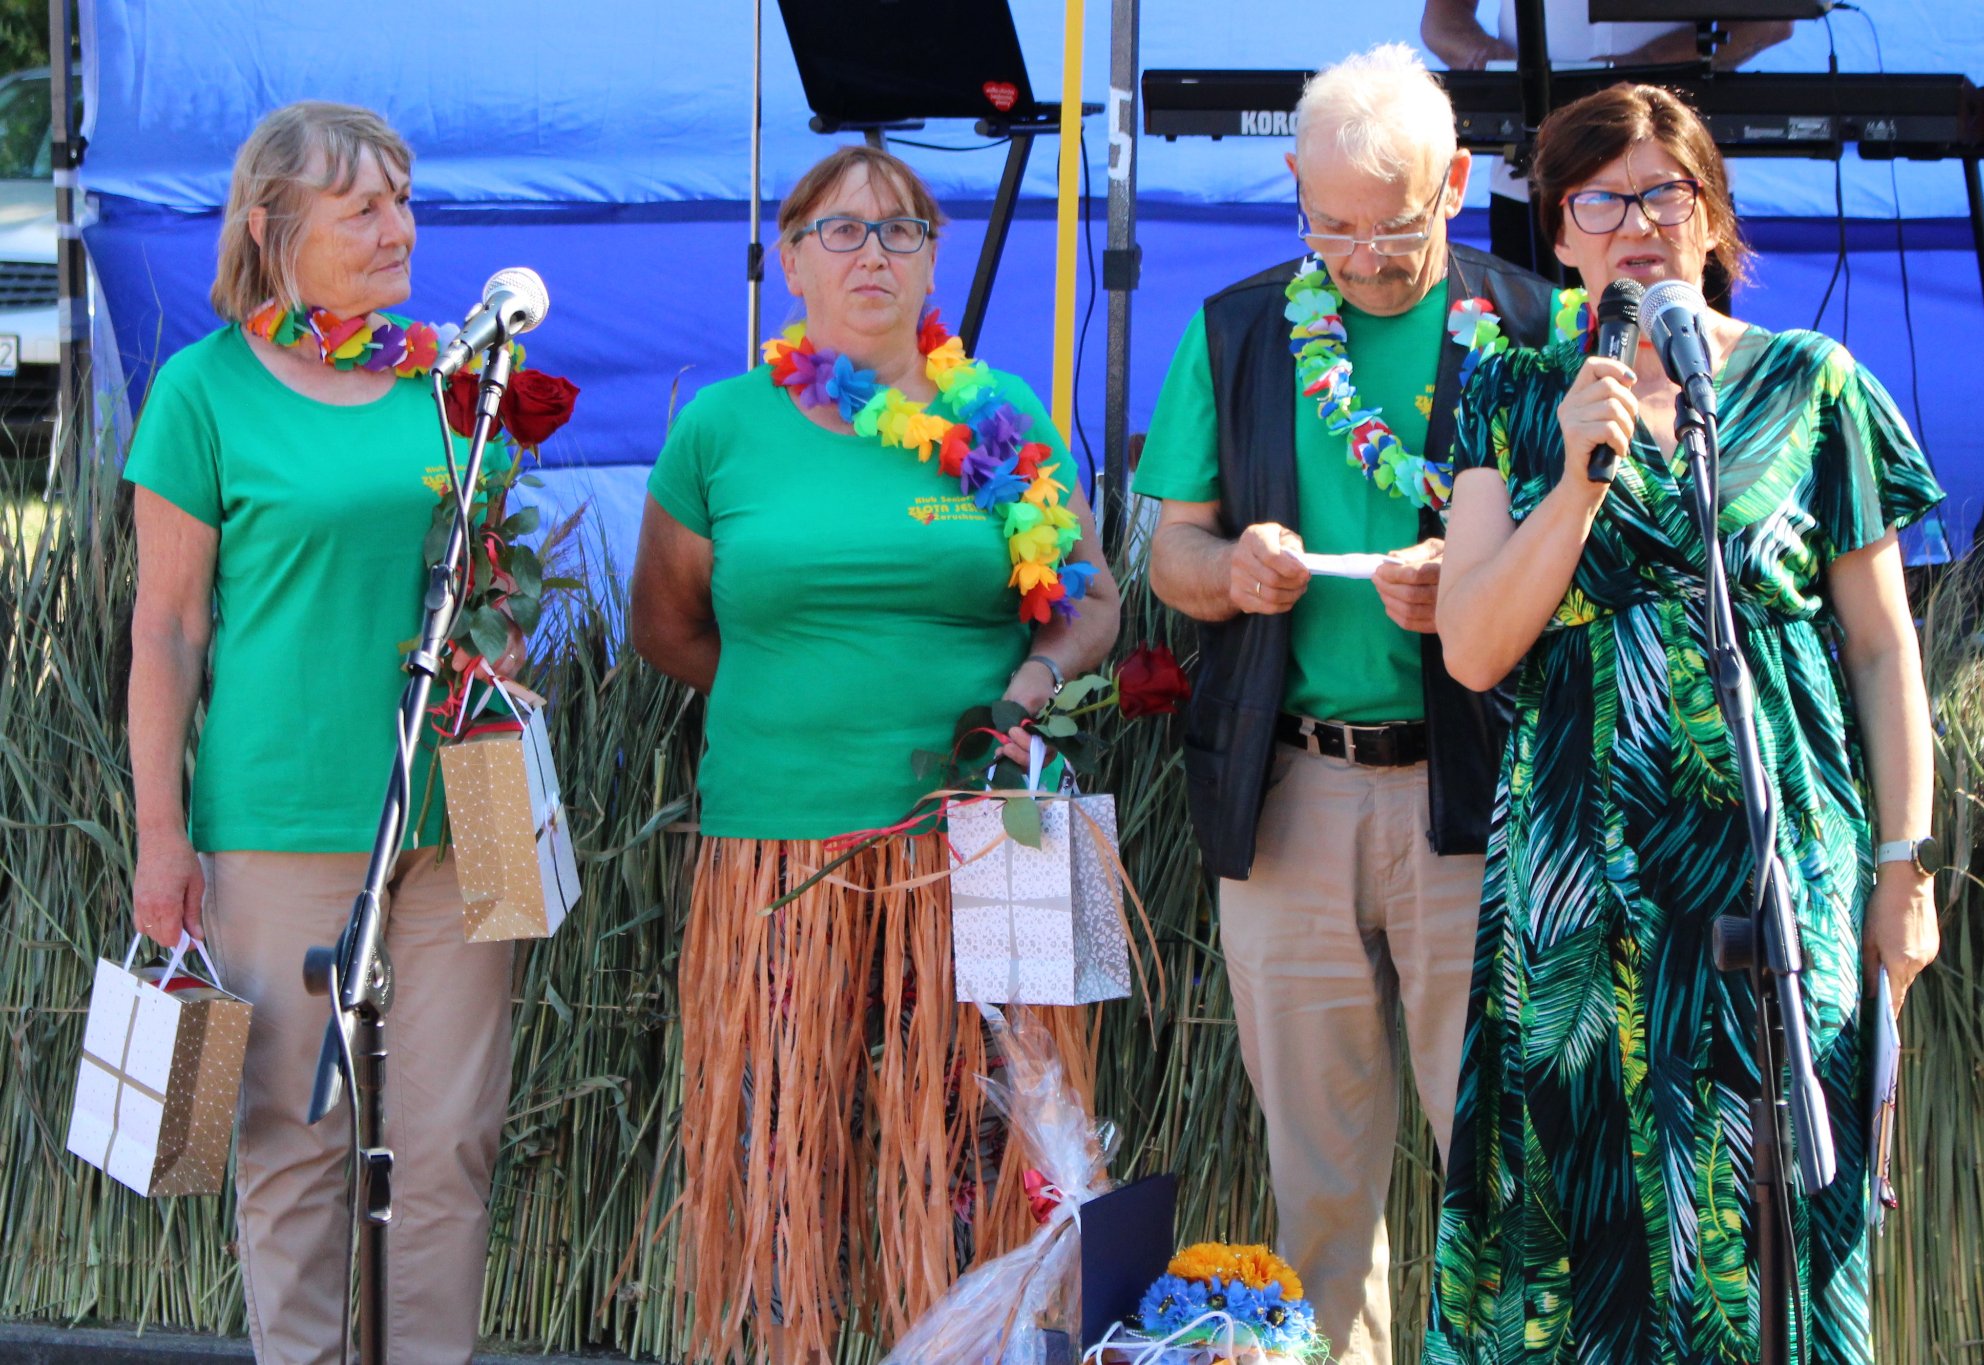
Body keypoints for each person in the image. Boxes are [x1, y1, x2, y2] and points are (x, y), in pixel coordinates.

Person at [1429, 83, 1942, 1362]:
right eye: (1599, 199)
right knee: (1579, 1216)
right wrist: (1576, 482)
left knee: (1779, 1200)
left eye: (1666, 192)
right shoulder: (1511, 396)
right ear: (1557, 235)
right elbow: (1476, 645)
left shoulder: (1812, 386)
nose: (1636, 223)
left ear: (1712, 215)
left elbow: (1881, 651)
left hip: (1776, 877)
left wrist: (1901, 863)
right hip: (1576, 885)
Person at [630, 144, 1119, 1363]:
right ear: (789, 258)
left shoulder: (1003, 419)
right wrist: (802, 706)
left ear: (932, 259)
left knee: (977, 1152)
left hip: (978, 845)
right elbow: (669, 623)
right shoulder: (723, 429)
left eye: (901, 231)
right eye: (842, 232)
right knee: (786, 1154)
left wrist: (1028, 684)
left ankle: (978, 1345)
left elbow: (1090, 598)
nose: (873, 254)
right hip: (776, 846)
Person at [1133, 46, 1579, 1365]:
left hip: (1481, 791)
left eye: (1391, 228)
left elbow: (1598, 559)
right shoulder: (1239, 326)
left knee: (1497, 1149)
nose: (1360, 257)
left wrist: (1484, 587)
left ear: (1455, 182)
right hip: (1292, 791)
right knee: (1318, 1169)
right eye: (1327, 225)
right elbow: (1171, 554)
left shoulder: (1537, 325)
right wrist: (1232, 573)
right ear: (1293, 187)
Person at [126, 102, 517, 1364]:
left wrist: (515, 813)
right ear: (272, 222)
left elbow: (496, 603)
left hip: (472, 814)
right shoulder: (203, 392)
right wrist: (159, 840)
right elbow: (168, 634)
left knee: (455, 1137)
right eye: (363, 205)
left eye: (405, 200)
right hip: (279, 813)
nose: (399, 227)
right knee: (293, 1139)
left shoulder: (451, 386)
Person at [1419, 0, 1791, 300]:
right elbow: (1441, 21)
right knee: (1530, 369)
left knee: (1690, 360)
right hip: (1528, 178)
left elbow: (1775, 19)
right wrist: (1493, 60)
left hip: (1673, 184)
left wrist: (1642, 66)